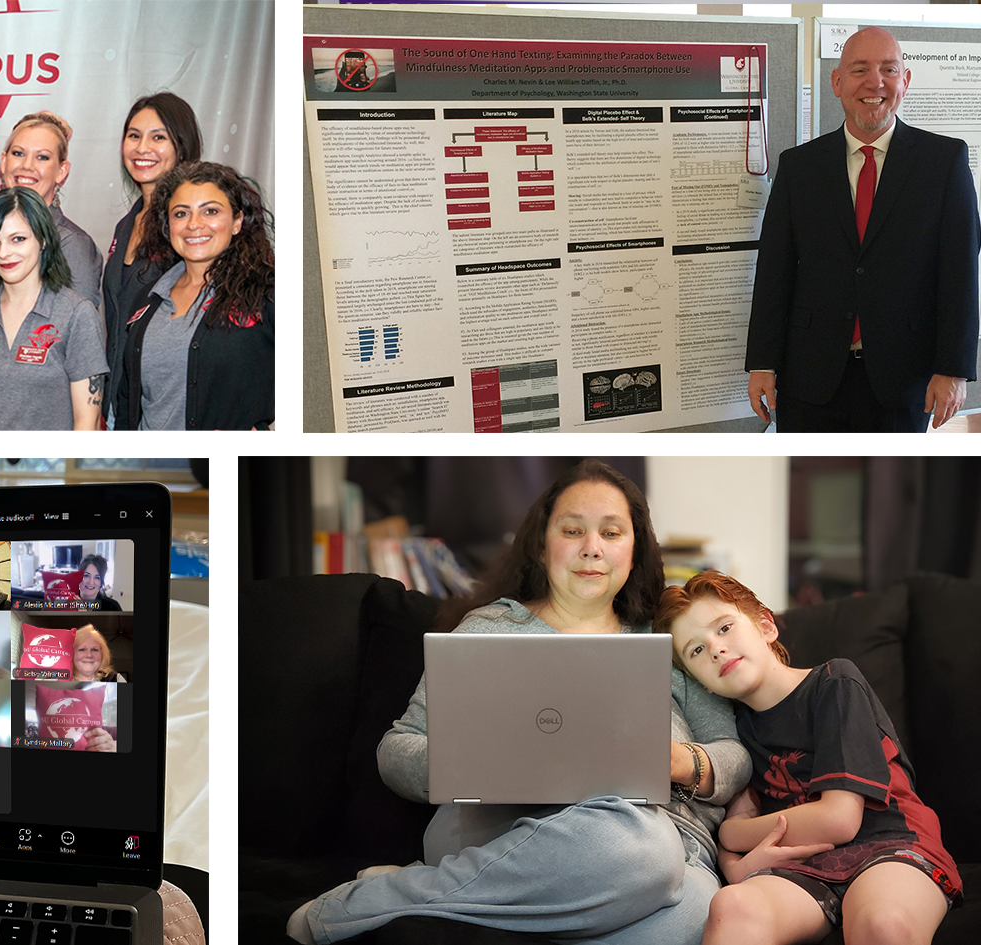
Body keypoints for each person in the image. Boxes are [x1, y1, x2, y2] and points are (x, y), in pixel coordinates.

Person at [286, 460, 749, 944]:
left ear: (635, 549)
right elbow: (396, 749)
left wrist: (682, 762)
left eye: (612, 533)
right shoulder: (490, 629)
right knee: (644, 854)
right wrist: (476, 764)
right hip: (504, 829)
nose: (592, 548)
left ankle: (435, 892)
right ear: (542, 542)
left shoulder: (670, 635)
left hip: (669, 839)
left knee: (696, 909)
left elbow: (733, 756)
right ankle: (380, 904)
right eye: (573, 530)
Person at [659, 571, 961, 945]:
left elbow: (838, 819)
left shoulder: (834, 683)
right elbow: (732, 840)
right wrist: (736, 864)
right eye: (697, 650)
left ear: (766, 626)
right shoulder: (736, 731)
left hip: (890, 845)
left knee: (882, 923)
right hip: (806, 870)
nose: (715, 648)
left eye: (723, 628)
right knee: (732, 906)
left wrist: (737, 833)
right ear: (700, 681)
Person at [748, 27, 977, 432]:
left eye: (889, 69)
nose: (876, 82)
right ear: (837, 82)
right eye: (860, 70)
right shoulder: (799, 167)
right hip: (809, 378)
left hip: (903, 379)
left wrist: (954, 369)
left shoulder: (944, 162)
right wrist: (762, 363)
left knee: (891, 490)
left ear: (905, 81)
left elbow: (960, 274)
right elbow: (774, 272)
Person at [119, 162, 274, 431]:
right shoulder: (148, 299)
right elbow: (128, 400)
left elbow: (314, 387)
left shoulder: (267, 293)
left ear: (237, 221)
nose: (194, 225)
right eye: (181, 214)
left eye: (210, 211)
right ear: (168, 226)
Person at [0, 186, 103, 430]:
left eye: (17, 239)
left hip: (45, 467)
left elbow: (87, 421)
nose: (4, 253)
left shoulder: (76, 313)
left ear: (42, 240)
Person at [105, 93, 201, 425]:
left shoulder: (192, 227)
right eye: (134, 135)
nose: (142, 147)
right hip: (121, 398)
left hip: (169, 404)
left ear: (182, 146)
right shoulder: (126, 223)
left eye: (158, 136)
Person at [0, 111, 102, 290]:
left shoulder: (73, 244)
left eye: (42, 157)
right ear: (4, 162)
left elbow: (77, 316)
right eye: (18, 153)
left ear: (61, 171)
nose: (27, 165)